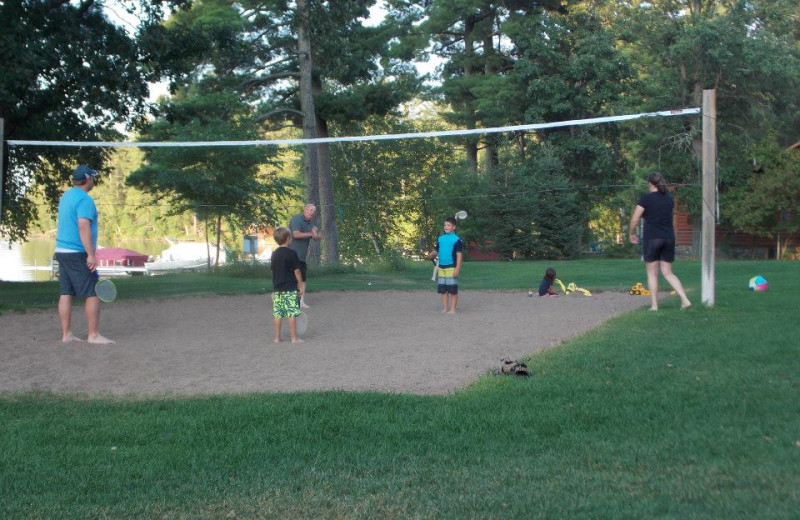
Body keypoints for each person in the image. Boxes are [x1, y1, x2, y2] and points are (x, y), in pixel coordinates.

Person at [54, 165, 115, 344]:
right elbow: (83, 226)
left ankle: (67, 335)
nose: (94, 180)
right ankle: (93, 335)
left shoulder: (66, 196)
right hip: (77, 252)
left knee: (66, 292)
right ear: (87, 179)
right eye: (93, 177)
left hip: (62, 251)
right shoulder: (85, 200)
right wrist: (90, 254)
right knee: (92, 292)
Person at [629, 172, 692, 311]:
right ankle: (685, 299)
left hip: (652, 238)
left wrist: (631, 233)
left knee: (652, 273)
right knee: (668, 273)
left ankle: (655, 305)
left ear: (651, 184)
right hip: (668, 238)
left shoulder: (646, 199)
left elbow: (635, 219)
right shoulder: (669, 199)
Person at [270, 227, 304, 344]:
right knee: (291, 314)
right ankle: (294, 338)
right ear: (288, 238)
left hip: (278, 289)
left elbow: (273, 272)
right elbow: (297, 271)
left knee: (277, 314)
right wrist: (300, 285)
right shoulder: (292, 253)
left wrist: (274, 290)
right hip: (290, 289)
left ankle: (277, 338)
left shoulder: (274, 254)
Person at [289, 203, 322, 309]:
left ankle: (301, 301)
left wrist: (318, 235)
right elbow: (296, 234)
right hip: (291, 255)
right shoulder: (297, 219)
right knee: (289, 279)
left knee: (302, 280)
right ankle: (275, 296)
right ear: (305, 210)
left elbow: (315, 235)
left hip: (302, 257)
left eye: (314, 211)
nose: (312, 213)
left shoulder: (311, 224)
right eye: (311, 210)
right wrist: (311, 234)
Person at [428, 216, 464, 314]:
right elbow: (437, 250)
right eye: (445, 225)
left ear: (454, 227)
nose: (446, 226)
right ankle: (445, 308)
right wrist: (432, 254)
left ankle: (453, 309)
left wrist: (457, 268)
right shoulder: (441, 238)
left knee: (452, 290)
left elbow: (459, 255)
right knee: (443, 290)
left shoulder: (457, 240)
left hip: (451, 267)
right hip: (441, 268)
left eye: (448, 225)